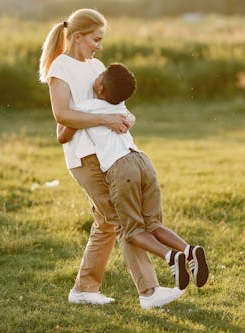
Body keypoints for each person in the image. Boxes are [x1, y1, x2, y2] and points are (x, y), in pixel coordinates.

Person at [39, 8, 184, 309]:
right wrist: (102, 121)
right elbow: (62, 116)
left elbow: (112, 107)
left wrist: (114, 120)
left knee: (106, 222)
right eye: (96, 39)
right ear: (77, 37)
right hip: (83, 156)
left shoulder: (97, 66)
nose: (99, 46)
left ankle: (84, 289)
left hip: (108, 155)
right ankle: (150, 292)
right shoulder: (60, 69)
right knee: (120, 219)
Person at [58, 63, 210, 293]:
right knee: (154, 225)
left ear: (99, 86)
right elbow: (131, 119)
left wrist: (78, 118)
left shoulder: (87, 106)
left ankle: (171, 256)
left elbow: (63, 133)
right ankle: (189, 250)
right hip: (142, 161)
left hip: (121, 168)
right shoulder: (120, 106)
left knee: (132, 230)